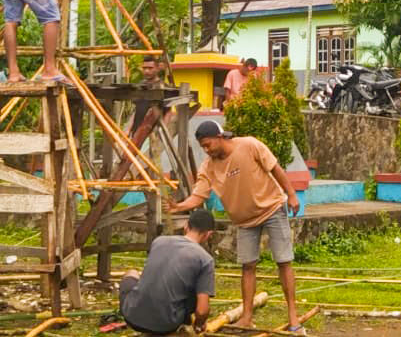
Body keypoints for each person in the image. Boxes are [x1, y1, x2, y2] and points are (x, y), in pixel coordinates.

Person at [167, 121, 302, 330]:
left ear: (220, 137)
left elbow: (275, 169)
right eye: (203, 147)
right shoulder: (209, 166)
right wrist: (178, 207)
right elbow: (198, 196)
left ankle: (293, 317)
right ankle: (247, 316)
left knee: (283, 261)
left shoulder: (249, 145)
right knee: (247, 266)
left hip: (272, 208)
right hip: (244, 220)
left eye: (208, 144)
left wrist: (291, 195)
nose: (206, 150)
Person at [119, 209, 218, 335]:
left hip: (132, 317)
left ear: (186, 226)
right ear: (208, 234)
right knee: (196, 289)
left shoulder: (159, 241)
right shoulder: (205, 259)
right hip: (166, 325)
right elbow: (202, 311)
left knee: (132, 273)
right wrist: (199, 324)